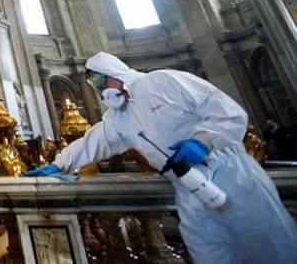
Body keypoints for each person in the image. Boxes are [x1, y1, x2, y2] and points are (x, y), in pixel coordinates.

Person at [26, 51, 297, 263]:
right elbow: (93, 141)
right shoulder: (119, 117)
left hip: (228, 172)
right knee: (209, 252)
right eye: (92, 84)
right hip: (187, 187)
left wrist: (203, 141)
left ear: (113, 73)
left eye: (98, 81)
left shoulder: (162, 80)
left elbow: (229, 112)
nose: (97, 89)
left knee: (271, 246)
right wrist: (59, 164)